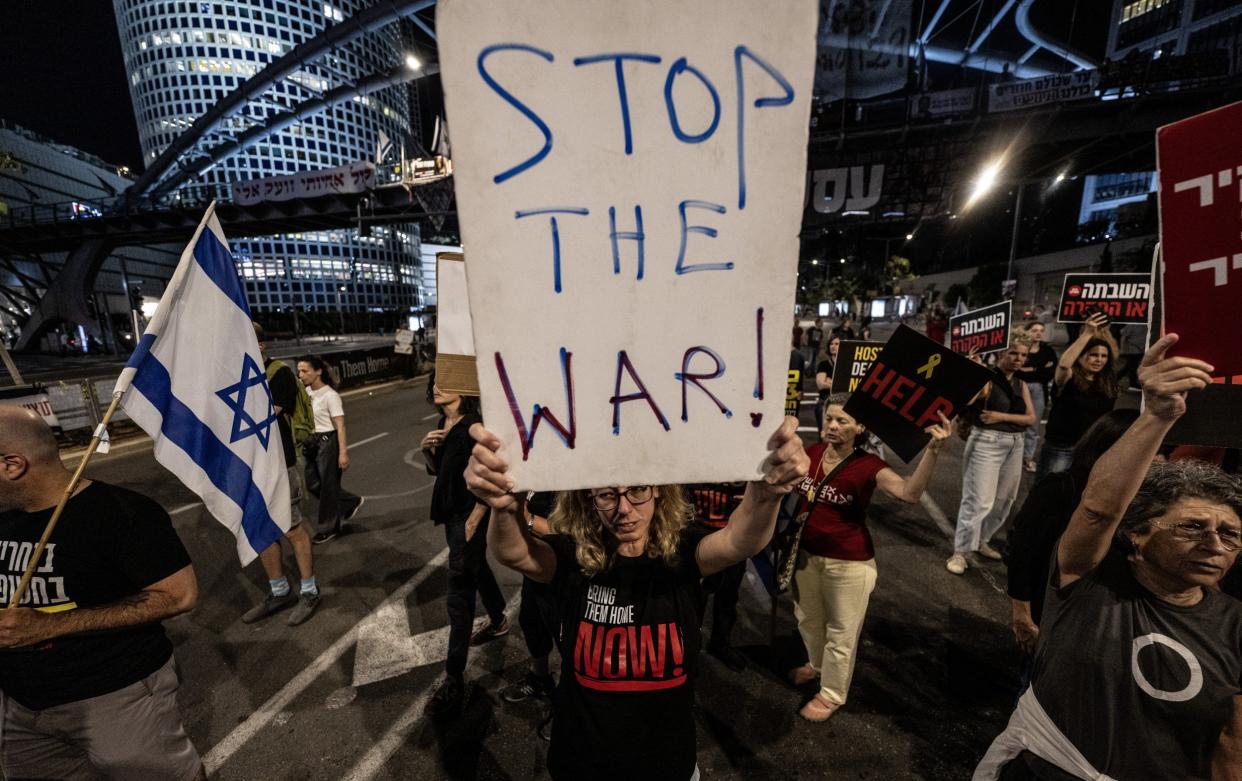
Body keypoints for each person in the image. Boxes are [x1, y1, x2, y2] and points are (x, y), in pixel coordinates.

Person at [466, 417, 808, 780]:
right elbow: (514, 552)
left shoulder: (682, 553)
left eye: (638, 490)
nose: (624, 509)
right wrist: (503, 506)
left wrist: (767, 493)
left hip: (666, 766)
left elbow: (741, 539)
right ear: (590, 500)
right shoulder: (572, 557)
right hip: (584, 765)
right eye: (608, 494)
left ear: (659, 490)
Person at [975, 333, 1242, 780]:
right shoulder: (1090, 582)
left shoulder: (1234, 624)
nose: (1214, 543)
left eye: (1230, 534)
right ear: (1136, 534)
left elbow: (1231, 746)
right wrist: (1157, 414)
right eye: (1193, 526)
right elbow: (1098, 511)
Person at [0, 407, 204, 780]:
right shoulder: (5, 514)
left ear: (12, 465)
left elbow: (178, 595)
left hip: (114, 697)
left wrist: (47, 625)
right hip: (22, 708)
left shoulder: (121, 513)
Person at [788, 394, 952, 721]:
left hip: (849, 563)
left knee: (842, 631)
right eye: (829, 418)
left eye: (842, 421)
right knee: (807, 618)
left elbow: (909, 493)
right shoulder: (813, 452)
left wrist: (933, 449)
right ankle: (818, 664)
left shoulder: (869, 465)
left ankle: (832, 693)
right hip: (806, 555)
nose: (832, 426)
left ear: (860, 427)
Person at [1005, 409, 1139, 687]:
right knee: (1038, 687)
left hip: (1099, 626)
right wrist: (1022, 614)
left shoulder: (1143, 502)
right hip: (1052, 617)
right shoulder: (1060, 487)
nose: (1158, 460)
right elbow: (1023, 550)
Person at [423, 378, 509, 715]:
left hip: (467, 513)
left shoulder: (473, 425)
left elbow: (491, 471)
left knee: (458, 592)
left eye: (446, 383)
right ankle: (499, 618)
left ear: (465, 390)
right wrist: (426, 449)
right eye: (434, 384)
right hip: (449, 512)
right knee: (475, 567)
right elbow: (436, 472)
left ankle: (453, 678)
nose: (437, 388)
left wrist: (478, 513)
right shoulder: (443, 424)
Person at [242, 324, 321, 625]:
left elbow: (263, 416)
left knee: (291, 529)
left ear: (261, 345)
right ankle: (279, 591)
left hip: (277, 464)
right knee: (260, 530)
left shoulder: (279, 374)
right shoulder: (237, 375)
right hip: (249, 467)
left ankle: (310, 590)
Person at [948, 339, 1036, 575]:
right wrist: (974, 371)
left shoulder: (1020, 383)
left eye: (1023, 355)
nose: (1018, 358)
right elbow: (966, 400)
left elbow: (1030, 418)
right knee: (978, 501)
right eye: (1013, 353)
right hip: (987, 442)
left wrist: (1000, 416)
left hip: (1015, 444)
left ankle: (981, 541)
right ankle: (960, 551)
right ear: (1000, 355)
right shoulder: (988, 378)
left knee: (1004, 500)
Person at [500, 490, 559, 742]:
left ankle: (568, 708)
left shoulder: (570, 474)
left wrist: (528, 519)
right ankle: (540, 679)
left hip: (563, 569)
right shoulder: (533, 462)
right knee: (531, 622)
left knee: (571, 640)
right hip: (535, 566)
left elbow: (573, 531)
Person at [1034, 314, 1120, 482]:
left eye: (1103, 356)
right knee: (1047, 492)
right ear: (1080, 357)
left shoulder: (1107, 382)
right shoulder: (1068, 378)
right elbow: (1064, 364)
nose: (1099, 360)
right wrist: (1087, 333)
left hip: (1091, 449)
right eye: (1093, 355)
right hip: (1062, 447)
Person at [297, 356, 363, 544]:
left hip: (328, 441)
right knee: (312, 484)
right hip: (311, 442)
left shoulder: (330, 396)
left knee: (327, 487)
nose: (300, 375)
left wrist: (343, 452)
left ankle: (328, 528)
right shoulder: (305, 392)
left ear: (318, 371)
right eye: (299, 371)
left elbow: (340, 426)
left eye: (305, 371)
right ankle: (350, 501)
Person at [687, 482, 749, 671]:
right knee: (693, 596)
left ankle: (720, 644)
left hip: (734, 532)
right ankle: (690, 649)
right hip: (697, 530)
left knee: (728, 595)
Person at [1014, 321, 1057, 473]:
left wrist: (1030, 369)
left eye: (1041, 330)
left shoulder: (1047, 351)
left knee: (1033, 426)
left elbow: (1050, 372)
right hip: (1018, 388)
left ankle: (1027, 459)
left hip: (1039, 389)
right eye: (1034, 330)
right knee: (1016, 423)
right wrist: (1038, 369)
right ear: (1027, 332)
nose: (1038, 333)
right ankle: (1013, 458)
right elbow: (1016, 370)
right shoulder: (1020, 349)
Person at [813, 335, 841, 434]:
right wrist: (839, 384)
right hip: (825, 402)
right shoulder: (824, 364)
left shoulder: (847, 365)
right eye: (831, 344)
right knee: (824, 436)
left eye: (836, 344)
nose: (833, 346)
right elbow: (820, 384)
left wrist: (829, 381)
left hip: (842, 403)